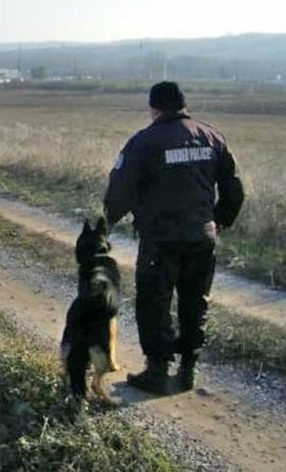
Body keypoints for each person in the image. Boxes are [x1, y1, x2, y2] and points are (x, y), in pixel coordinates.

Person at [103, 81, 244, 395]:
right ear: (182, 105)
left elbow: (119, 190)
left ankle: (157, 370)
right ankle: (188, 369)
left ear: (154, 108)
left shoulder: (144, 142)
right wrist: (218, 221)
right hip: (201, 239)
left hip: (160, 240)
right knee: (195, 303)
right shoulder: (212, 136)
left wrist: (108, 220)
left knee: (155, 302)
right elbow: (234, 189)